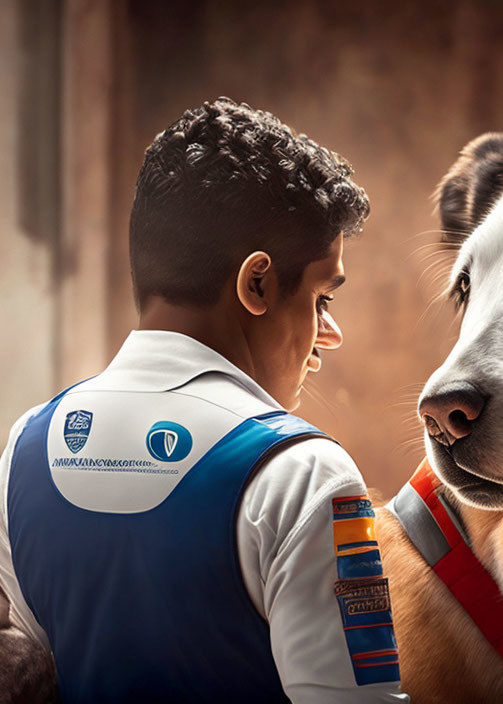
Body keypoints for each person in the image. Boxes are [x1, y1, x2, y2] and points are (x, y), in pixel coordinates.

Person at [0, 98, 407, 703]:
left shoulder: (24, 449)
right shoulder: (305, 475)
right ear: (257, 283)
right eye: (322, 299)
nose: (331, 333)